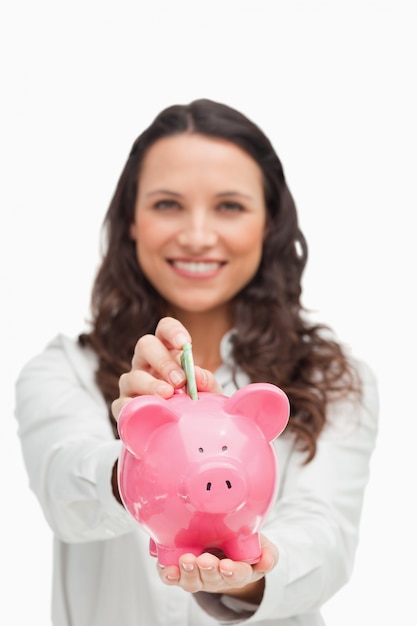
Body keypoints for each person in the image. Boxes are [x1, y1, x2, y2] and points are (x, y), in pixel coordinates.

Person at [14, 99, 378, 626]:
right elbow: (63, 493)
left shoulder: (334, 378)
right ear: (132, 220)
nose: (198, 235)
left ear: (268, 224)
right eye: (168, 204)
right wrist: (135, 468)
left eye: (229, 205)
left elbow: (326, 539)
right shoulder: (61, 369)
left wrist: (252, 575)